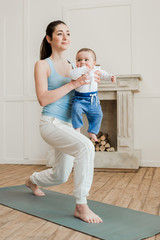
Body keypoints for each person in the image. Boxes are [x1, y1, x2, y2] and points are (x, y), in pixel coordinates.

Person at [25, 20, 103, 224]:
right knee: (86, 146)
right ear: (49, 39)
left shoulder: (73, 66)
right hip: (50, 122)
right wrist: (73, 84)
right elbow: (43, 98)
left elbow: (81, 93)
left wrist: (90, 84)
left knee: (60, 176)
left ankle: (32, 180)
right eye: (59, 34)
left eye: (68, 33)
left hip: (68, 125)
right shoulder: (42, 65)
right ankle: (81, 205)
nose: (65, 37)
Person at [70, 48, 116, 142]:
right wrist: (83, 69)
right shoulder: (76, 70)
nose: (82, 62)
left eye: (86, 60)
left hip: (93, 99)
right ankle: (77, 128)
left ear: (94, 63)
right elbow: (73, 76)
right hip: (79, 99)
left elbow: (103, 74)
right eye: (79, 60)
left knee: (98, 115)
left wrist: (110, 77)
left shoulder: (96, 70)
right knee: (75, 110)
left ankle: (92, 131)